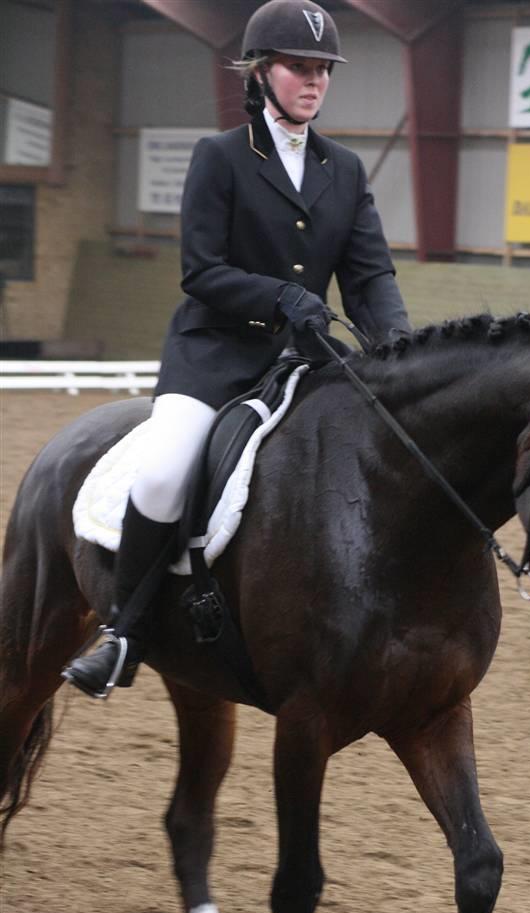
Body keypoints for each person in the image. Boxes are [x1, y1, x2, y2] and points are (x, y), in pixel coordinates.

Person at [63, 0, 410, 700]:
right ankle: (124, 633)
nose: (313, 82)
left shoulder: (343, 169)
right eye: (298, 68)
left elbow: (370, 277)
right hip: (216, 356)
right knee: (162, 474)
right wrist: (280, 298)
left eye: (323, 70)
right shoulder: (220, 157)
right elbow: (201, 270)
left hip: (303, 363)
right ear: (260, 73)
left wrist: (400, 354)